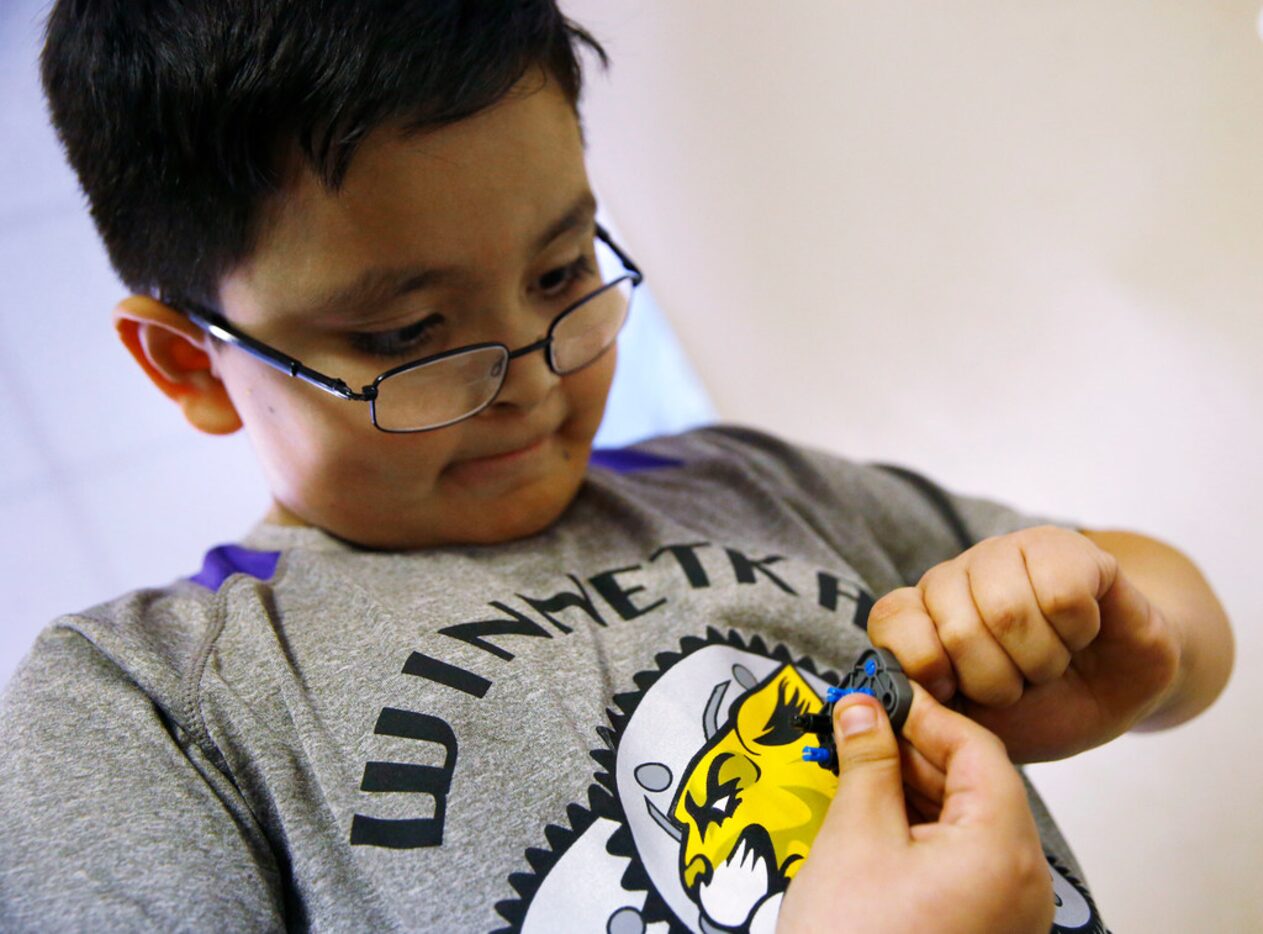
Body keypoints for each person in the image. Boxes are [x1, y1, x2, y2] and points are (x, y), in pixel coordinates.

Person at [0, 2, 1231, 931]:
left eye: (563, 272)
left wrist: (1128, 637)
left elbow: (1174, 610)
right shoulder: (147, 707)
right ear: (191, 367)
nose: (533, 377)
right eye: (407, 338)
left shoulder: (753, 483)